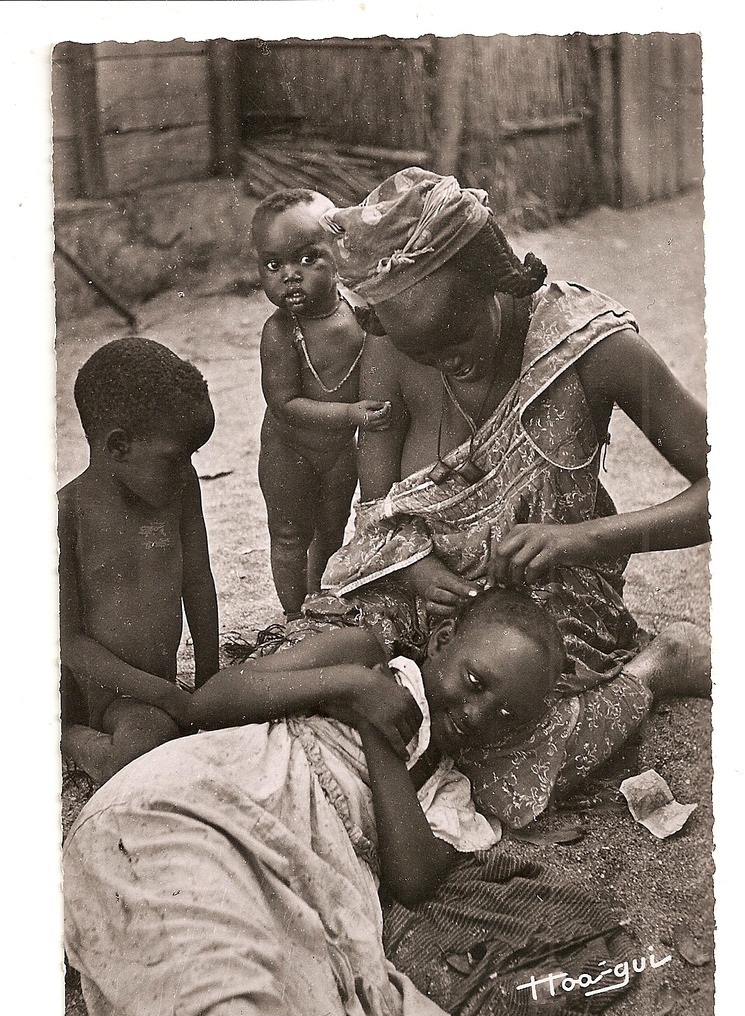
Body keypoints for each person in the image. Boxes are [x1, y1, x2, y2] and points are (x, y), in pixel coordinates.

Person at [294, 166, 711, 828]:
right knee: (295, 677)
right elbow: (373, 511)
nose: (450, 365)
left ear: (495, 285)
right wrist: (411, 564)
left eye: (459, 341)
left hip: (545, 617)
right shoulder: (389, 347)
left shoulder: (589, 348)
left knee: (500, 767)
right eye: (426, 355)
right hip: (417, 593)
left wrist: (578, 538)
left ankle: (658, 665)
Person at [63, 588, 564, 1016]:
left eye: (505, 715)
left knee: (274, 1007)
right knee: (215, 989)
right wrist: (350, 684)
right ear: (441, 640)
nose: (478, 714)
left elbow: (411, 876)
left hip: (288, 877)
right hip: (202, 805)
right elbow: (207, 705)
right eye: (475, 682)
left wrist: (374, 732)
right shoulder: (363, 654)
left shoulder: (447, 791)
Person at [59, 337, 219, 786]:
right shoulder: (67, 515)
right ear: (117, 446)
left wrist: (208, 680)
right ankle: (68, 738)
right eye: (174, 458)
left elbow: (198, 583)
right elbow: (70, 643)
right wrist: (170, 697)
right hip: (103, 696)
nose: (186, 469)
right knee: (148, 744)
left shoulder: (179, 490)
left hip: (158, 690)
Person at [252, 188, 392, 620]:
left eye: (308, 259)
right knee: (291, 535)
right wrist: (350, 414)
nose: (290, 275)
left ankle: (318, 598)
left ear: (339, 257)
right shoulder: (281, 332)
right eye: (274, 265)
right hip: (288, 451)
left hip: (338, 454)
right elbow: (284, 404)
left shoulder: (358, 314)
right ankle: (294, 616)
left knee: (330, 532)